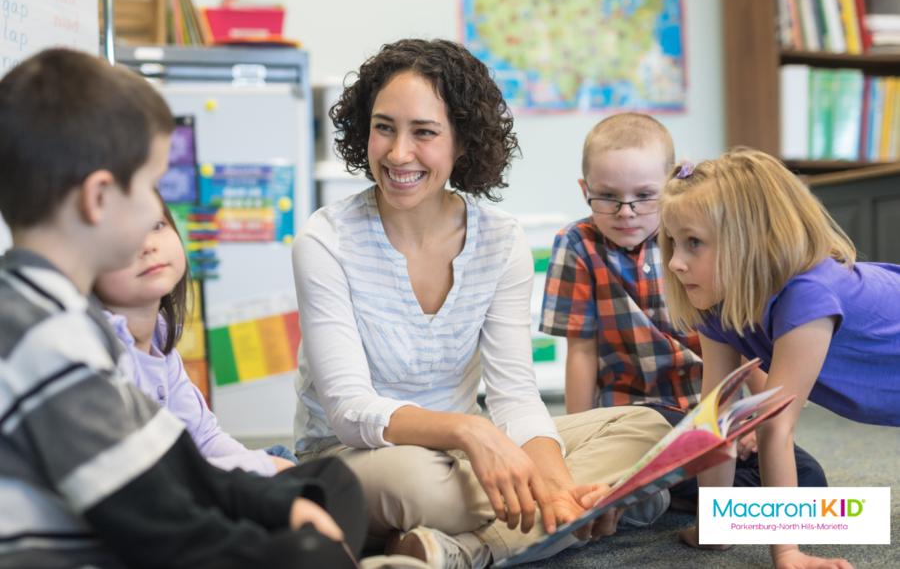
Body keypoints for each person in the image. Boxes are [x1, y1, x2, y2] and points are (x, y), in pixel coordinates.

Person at [291, 39, 673, 569]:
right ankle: (601, 503)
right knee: (423, 484)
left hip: (469, 456)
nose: (399, 152)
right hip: (356, 458)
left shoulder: (500, 239)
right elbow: (350, 410)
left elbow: (514, 394)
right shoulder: (325, 239)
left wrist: (558, 485)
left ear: (463, 142)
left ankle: (466, 551)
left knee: (649, 429)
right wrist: (472, 432)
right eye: (384, 127)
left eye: (424, 132)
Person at [0, 49, 367, 569]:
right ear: (98, 199)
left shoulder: (57, 314)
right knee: (309, 554)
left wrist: (281, 505)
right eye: (151, 186)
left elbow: (174, 464)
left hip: (144, 519)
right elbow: (155, 522)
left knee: (320, 499)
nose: (160, 210)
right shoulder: (43, 334)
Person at [539, 115, 827, 510]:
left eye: (644, 195)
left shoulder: (700, 243)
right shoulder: (577, 245)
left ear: (671, 188)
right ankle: (646, 487)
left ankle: (652, 492)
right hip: (639, 421)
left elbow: (742, 343)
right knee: (653, 449)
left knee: (810, 480)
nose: (626, 212)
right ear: (584, 190)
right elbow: (581, 351)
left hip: (711, 414)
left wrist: (756, 422)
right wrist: (578, 435)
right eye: (607, 196)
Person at [659, 148, 900, 569]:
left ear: (748, 241)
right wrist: (717, 526)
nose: (676, 262)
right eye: (672, 243)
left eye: (693, 243)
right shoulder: (717, 304)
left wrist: (787, 552)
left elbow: (775, 426)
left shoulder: (807, 292)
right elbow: (717, 415)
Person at [94, 191, 298, 476]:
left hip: (179, 474)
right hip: (146, 486)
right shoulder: (99, 349)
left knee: (284, 462)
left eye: (156, 225)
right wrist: (263, 469)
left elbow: (204, 437)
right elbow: (147, 471)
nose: (148, 245)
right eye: (122, 238)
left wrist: (267, 470)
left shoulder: (159, 337)